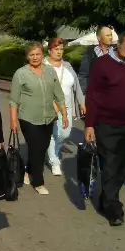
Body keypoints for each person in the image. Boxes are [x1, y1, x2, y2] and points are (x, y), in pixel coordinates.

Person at [85, 29, 125, 226]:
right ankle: (113, 209)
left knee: (121, 167)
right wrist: (89, 124)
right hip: (105, 123)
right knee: (109, 165)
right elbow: (92, 95)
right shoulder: (103, 64)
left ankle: (106, 199)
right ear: (119, 44)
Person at [9, 42, 67, 195]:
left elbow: (59, 95)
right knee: (37, 149)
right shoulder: (20, 74)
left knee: (41, 147)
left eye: (38, 54)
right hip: (28, 118)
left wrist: (65, 115)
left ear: (43, 55)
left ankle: (28, 171)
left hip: (48, 117)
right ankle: (38, 182)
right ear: (27, 57)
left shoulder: (50, 72)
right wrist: (14, 121)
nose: (35, 57)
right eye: (31, 54)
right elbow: (13, 100)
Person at [44, 38, 86, 176]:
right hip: (49, 106)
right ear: (49, 51)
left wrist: (82, 102)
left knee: (65, 133)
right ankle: (54, 161)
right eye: (56, 49)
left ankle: (51, 151)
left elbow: (76, 85)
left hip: (67, 106)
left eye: (61, 49)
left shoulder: (67, 65)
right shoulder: (43, 65)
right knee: (52, 134)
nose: (59, 52)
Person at [78, 25, 114, 94]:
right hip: (96, 95)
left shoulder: (117, 52)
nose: (111, 37)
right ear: (99, 37)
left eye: (111, 35)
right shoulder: (90, 53)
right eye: (107, 35)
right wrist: (84, 95)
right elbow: (83, 75)